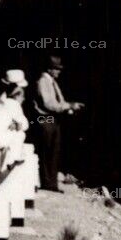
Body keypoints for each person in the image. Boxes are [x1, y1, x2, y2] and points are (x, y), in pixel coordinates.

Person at [30, 55, 83, 192]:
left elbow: (59, 102)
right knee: (47, 151)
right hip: (45, 119)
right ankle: (48, 183)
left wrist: (70, 106)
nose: (59, 71)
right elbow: (49, 104)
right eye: (56, 69)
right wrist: (68, 106)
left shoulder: (52, 82)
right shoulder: (43, 81)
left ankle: (51, 183)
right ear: (49, 69)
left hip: (53, 119)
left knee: (53, 151)